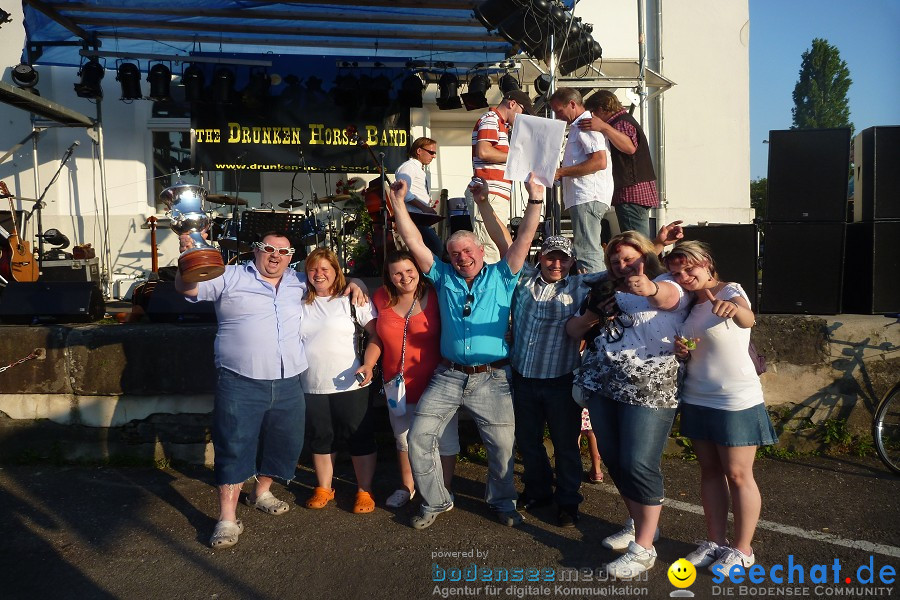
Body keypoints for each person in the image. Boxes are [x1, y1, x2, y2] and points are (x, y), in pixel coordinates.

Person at [390, 173, 544, 530]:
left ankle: (503, 501)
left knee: (502, 448)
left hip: (493, 378)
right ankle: (436, 500)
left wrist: (535, 198)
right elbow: (413, 241)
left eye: (468, 252)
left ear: (481, 251)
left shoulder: (504, 274)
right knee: (418, 439)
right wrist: (399, 204)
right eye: (454, 253)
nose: (461, 258)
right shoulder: (443, 276)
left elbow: (523, 238)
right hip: (448, 375)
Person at [566, 230, 691, 578]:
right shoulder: (603, 288)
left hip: (651, 388)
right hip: (605, 385)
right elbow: (574, 330)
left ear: (647, 256)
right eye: (615, 260)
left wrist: (647, 287)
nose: (622, 265)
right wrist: (595, 311)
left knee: (639, 463)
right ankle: (638, 524)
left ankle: (645, 549)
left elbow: (665, 297)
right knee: (616, 461)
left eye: (629, 259)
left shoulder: (669, 281)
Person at [175, 232, 308, 549]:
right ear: (256, 251)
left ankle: (260, 491)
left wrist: (356, 284)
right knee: (233, 445)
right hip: (240, 379)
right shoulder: (229, 275)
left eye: (284, 251)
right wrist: (187, 260)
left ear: (292, 256)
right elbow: (188, 288)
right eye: (269, 249)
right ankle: (227, 518)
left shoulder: (301, 282)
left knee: (284, 443)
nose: (276, 256)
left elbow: (336, 285)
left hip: (289, 379)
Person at [663, 241, 777, 573]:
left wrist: (734, 309)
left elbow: (747, 318)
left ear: (707, 263)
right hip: (697, 396)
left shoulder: (729, 290)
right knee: (710, 472)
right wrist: (682, 352)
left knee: (739, 475)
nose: (684, 276)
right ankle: (715, 542)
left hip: (735, 399)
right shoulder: (687, 306)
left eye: (689, 268)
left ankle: (743, 550)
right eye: (676, 272)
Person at [355, 250, 459, 507]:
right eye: (397, 273)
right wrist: (368, 364)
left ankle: (443, 489)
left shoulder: (435, 295)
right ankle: (407, 486)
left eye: (409, 270)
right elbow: (376, 338)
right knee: (403, 439)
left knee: (444, 439)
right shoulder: (380, 298)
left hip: (438, 382)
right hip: (397, 385)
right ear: (388, 277)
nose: (405, 277)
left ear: (418, 270)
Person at [300, 248, 379, 514]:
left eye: (325, 268)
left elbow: (376, 336)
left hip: (352, 382)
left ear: (336, 271)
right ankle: (324, 487)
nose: (319, 274)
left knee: (359, 436)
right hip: (311, 382)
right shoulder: (299, 301)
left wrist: (368, 364)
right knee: (321, 437)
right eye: (313, 268)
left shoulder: (353, 300)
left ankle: (364, 490)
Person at [549, 87, 613, 274]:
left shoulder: (585, 124)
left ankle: (594, 293)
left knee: (587, 250)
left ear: (572, 104)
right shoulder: (581, 125)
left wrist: (561, 172)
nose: (558, 117)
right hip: (586, 196)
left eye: (559, 111)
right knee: (587, 248)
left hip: (587, 195)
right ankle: (594, 290)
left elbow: (599, 162)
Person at [580, 90, 659, 239]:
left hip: (630, 192)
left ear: (602, 109)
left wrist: (604, 127)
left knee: (636, 242)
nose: (592, 118)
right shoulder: (625, 120)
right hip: (636, 190)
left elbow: (629, 147)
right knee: (638, 240)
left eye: (592, 113)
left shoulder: (621, 122)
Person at [468, 89, 534, 264]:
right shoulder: (491, 119)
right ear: (512, 104)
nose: (523, 117)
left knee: (496, 247)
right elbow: (483, 151)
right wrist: (517, 156)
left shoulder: (499, 124)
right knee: (490, 249)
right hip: (488, 192)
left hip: (493, 192)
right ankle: (489, 291)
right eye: (523, 111)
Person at [394, 137, 444, 257]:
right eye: (431, 152)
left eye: (434, 153)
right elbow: (403, 192)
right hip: (414, 218)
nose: (434, 156)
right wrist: (424, 208)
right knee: (436, 249)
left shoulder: (416, 168)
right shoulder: (408, 167)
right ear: (419, 151)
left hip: (419, 217)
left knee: (427, 251)